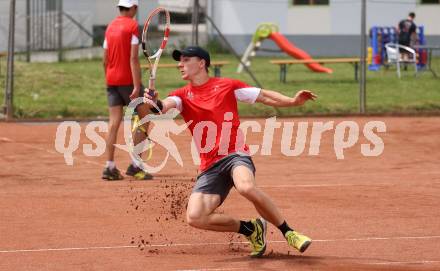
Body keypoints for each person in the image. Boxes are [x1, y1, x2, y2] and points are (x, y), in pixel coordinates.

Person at [144, 46, 317, 257]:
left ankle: (289, 233)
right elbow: (162, 107)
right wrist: (153, 101)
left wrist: (292, 101)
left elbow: (263, 96)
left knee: (246, 188)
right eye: (180, 61)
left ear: (202, 63)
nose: (180, 64)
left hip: (235, 154)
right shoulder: (182, 95)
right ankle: (251, 229)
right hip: (209, 165)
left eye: (186, 59)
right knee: (195, 217)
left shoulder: (227, 85)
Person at [102, 0, 152, 181]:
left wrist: (108, 77)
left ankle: (109, 166)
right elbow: (133, 59)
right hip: (128, 81)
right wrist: (137, 85)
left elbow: (104, 59)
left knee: (113, 123)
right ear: (134, 8)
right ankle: (136, 165)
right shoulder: (132, 26)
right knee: (145, 117)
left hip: (111, 80)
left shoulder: (110, 26)